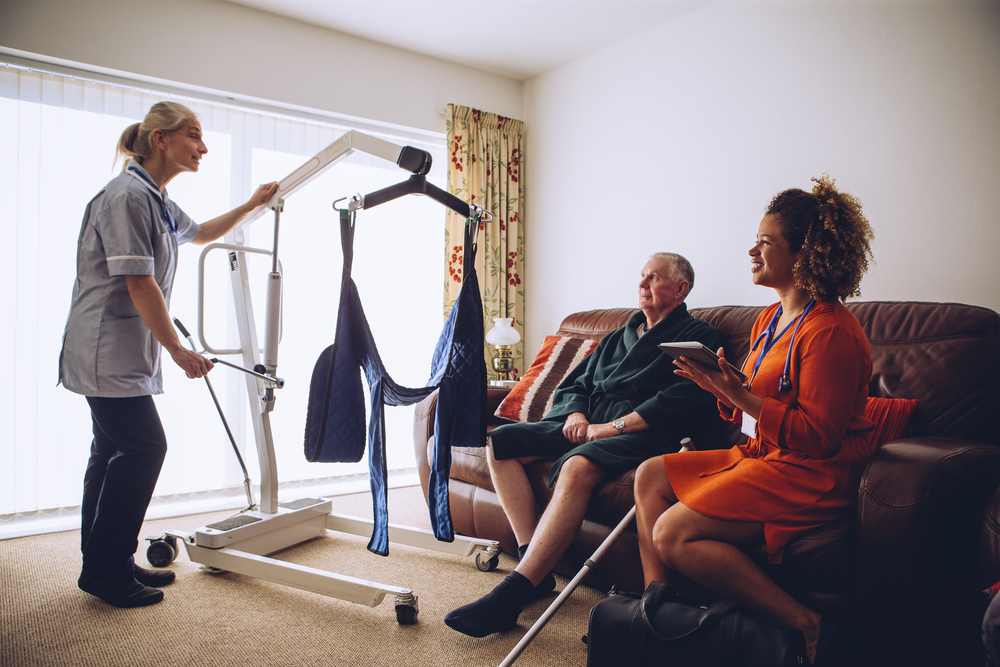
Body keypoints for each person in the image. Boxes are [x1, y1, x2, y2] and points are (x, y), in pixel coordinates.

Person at [634, 175, 875, 665]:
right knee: (649, 475)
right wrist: (720, 390)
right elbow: (750, 401)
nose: (752, 249)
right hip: (763, 454)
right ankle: (658, 616)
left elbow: (820, 437)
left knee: (671, 533)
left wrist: (739, 397)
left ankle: (810, 626)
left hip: (808, 473)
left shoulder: (829, 331)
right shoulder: (769, 319)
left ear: (803, 254)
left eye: (766, 241)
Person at [59, 101, 278, 608]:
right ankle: (106, 570)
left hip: (118, 351)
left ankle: (105, 560)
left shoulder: (154, 197)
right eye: (194, 136)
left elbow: (200, 233)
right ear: (161, 139)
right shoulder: (127, 197)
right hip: (103, 350)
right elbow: (140, 282)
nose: (203, 148)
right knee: (142, 448)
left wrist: (249, 205)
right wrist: (178, 350)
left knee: (110, 452)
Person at [445, 252, 723, 637]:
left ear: (680, 289)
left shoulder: (698, 337)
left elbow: (681, 399)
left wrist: (612, 427)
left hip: (642, 432)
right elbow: (575, 384)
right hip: (585, 422)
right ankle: (532, 559)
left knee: (578, 465)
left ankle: (515, 591)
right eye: (641, 276)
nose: (642, 284)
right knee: (500, 443)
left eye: (654, 278)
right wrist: (576, 415)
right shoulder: (616, 336)